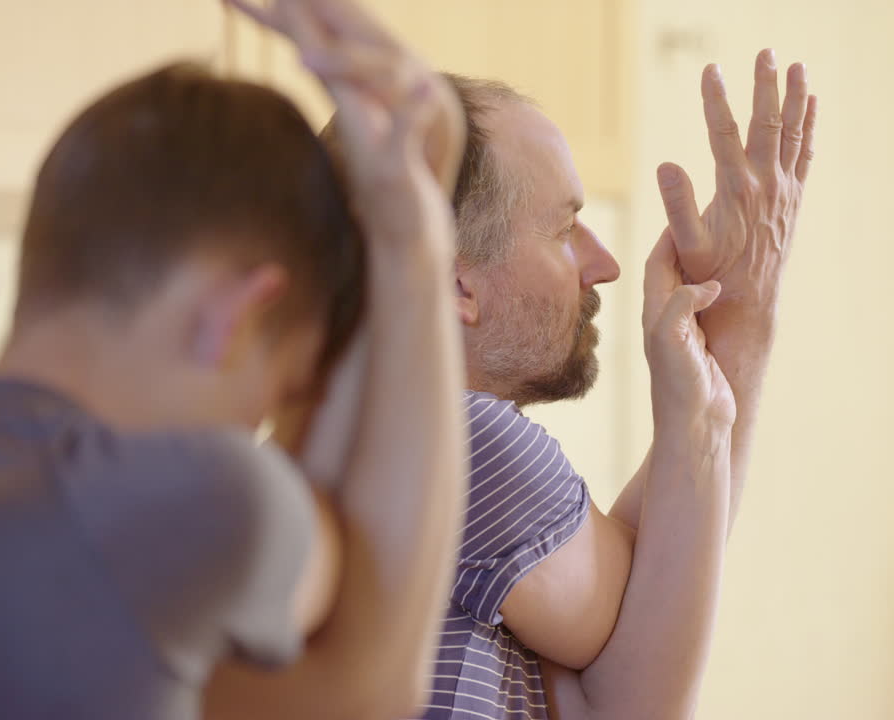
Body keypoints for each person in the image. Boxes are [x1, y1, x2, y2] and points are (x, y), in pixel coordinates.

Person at [0, 1, 466, 718]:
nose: (264, 431)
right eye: (280, 393)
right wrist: (413, 242)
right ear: (235, 319)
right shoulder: (190, 502)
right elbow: (367, 685)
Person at [320, 49, 818, 719]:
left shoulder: (354, 433)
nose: (604, 264)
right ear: (457, 283)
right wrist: (745, 319)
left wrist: (726, 342)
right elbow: (638, 696)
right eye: (564, 229)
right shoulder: (456, 442)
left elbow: (633, 630)